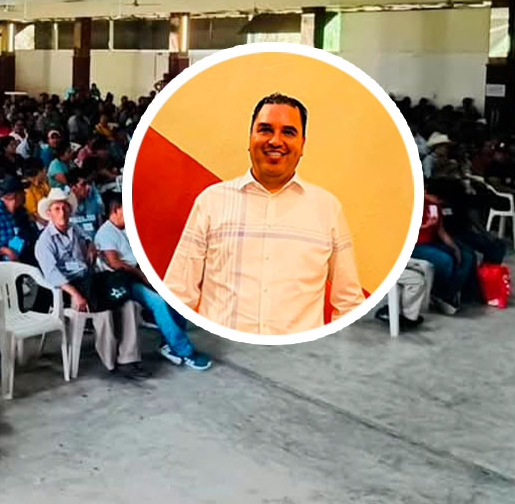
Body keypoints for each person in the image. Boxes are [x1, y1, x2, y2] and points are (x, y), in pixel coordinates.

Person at [163, 93, 365, 334]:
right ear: (250, 139)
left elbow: (349, 303)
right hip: (224, 357)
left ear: (302, 144)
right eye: (265, 129)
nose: (275, 141)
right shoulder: (211, 202)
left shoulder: (327, 208)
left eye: (288, 132)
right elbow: (178, 292)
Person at [35, 188, 146, 379]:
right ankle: (111, 361)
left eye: (65, 208)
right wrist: (75, 294)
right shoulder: (44, 242)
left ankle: (128, 359)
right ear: (49, 213)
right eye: (57, 209)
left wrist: (91, 246)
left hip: (89, 280)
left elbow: (88, 238)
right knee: (103, 312)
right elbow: (52, 275)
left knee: (129, 304)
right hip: (68, 288)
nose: (62, 213)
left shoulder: (74, 229)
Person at [94, 193, 211, 371]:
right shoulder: (105, 233)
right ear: (116, 210)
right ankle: (184, 351)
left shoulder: (127, 228)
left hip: (139, 273)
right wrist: (142, 275)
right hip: (123, 281)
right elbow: (115, 263)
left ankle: (168, 343)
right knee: (159, 302)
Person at [0, 176, 37, 263]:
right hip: (4, 260)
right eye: (22, 192)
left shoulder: (21, 212)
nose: (25, 194)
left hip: (26, 253)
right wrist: (5, 250)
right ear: (13, 196)